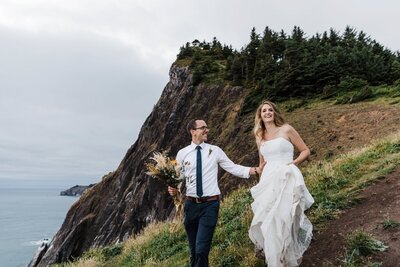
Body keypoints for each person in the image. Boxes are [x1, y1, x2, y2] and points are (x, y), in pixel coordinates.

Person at [168, 119, 261, 267]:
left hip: (210, 205)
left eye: (207, 127)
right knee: (194, 250)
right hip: (190, 205)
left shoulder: (215, 150)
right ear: (193, 131)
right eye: (203, 128)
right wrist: (174, 188)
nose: (207, 130)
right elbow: (179, 177)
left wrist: (254, 170)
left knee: (201, 249)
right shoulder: (182, 153)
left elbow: (232, 167)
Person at [248, 100, 314, 267]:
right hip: (269, 180)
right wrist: (259, 176)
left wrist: (294, 163)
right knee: (270, 220)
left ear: (274, 112)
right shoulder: (259, 136)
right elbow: (262, 162)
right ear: (260, 116)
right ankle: (276, 260)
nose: (267, 113)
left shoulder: (287, 129)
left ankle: (286, 252)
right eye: (264, 111)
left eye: (270, 110)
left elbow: (305, 150)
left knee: (286, 216)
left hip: (287, 176)